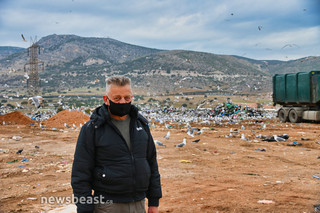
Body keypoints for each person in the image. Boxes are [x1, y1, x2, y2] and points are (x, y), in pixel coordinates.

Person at [71, 76, 162, 213]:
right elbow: (80, 173)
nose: (123, 102)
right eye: (117, 98)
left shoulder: (141, 125)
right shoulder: (93, 129)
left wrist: (154, 201)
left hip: (139, 204)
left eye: (127, 98)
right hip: (107, 205)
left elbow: (151, 163)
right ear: (106, 99)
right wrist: (84, 209)